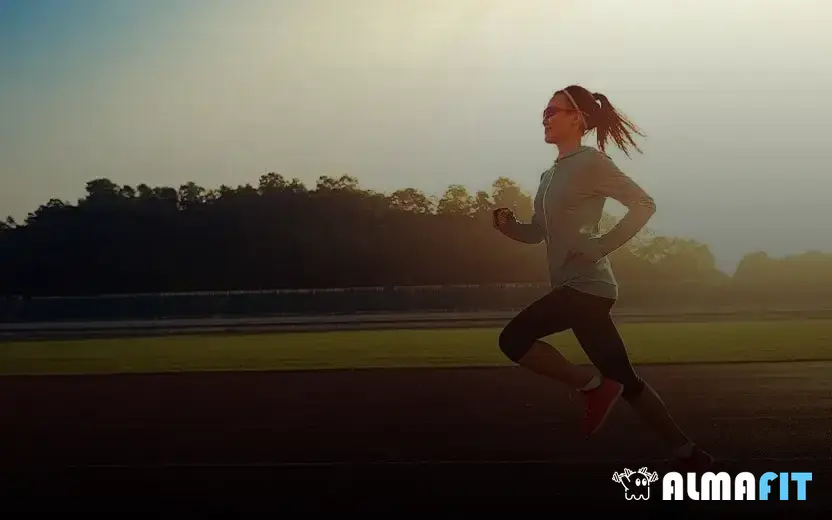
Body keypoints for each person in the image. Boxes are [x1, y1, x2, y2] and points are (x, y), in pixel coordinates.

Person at [492, 84, 713, 472]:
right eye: (544, 112)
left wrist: (602, 245)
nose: (545, 117)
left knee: (513, 339)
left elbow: (644, 204)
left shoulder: (591, 162)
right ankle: (688, 453)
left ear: (577, 118)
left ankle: (592, 387)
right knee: (626, 381)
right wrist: (509, 227)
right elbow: (538, 232)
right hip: (574, 289)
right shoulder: (549, 175)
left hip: (587, 286)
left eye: (553, 111)